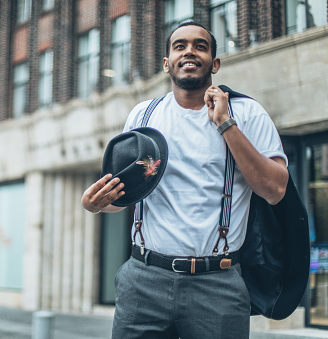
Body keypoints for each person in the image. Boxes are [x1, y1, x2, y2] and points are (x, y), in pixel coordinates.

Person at [81, 22, 289, 338]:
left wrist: (225, 124)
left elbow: (275, 190)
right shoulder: (143, 115)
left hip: (216, 284)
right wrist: (96, 204)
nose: (189, 51)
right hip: (143, 279)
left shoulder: (248, 113)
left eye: (200, 46)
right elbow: (124, 197)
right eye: (179, 46)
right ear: (167, 63)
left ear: (215, 63)